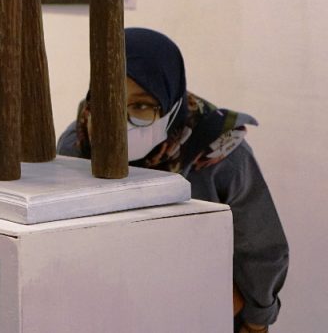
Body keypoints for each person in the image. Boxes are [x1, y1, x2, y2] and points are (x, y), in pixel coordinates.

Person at [58, 27, 288, 333]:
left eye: (141, 106)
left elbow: (259, 245)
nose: (120, 122)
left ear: (171, 104)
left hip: (200, 310)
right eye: (106, 100)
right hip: (112, 305)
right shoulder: (78, 144)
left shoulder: (219, 155)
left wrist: (257, 319)